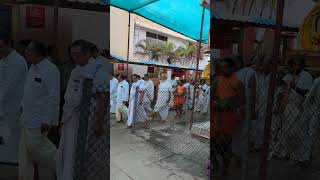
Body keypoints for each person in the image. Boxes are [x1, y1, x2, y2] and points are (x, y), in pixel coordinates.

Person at [57, 40, 109, 179]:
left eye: (77, 54)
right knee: (67, 152)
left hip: (87, 120)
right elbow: (69, 97)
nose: (74, 58)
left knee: (83, 155)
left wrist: (98, 123)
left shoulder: (98, 71)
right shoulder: (76, 70)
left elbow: (103, 97)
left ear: (87, 54)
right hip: (70, 118)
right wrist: (63, 121)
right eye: (72, 54)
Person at [19, 41, 60, 180]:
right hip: (26, 117)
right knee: (25, 153)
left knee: (36, 148)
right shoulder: (33, 67)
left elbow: (53, 97)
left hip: (39, 119)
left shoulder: (51, 69)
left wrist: (47, 120)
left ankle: (61, 165)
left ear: (37, 53)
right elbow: (29, 92)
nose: (25, 52)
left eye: (28, 50)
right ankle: (26, 177)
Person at [211, 57, 245, 175]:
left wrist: (229, 102)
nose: (223, 69)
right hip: (216, 115)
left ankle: (225, 168)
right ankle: (215, 164)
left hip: (228, 116)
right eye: (222, 67)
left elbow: (242, 100)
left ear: (232, 68)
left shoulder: (237, 82)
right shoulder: (217, 79)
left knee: (224, 144)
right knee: (212, 143)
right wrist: (215, 102)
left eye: (226, 67)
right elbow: (212, 95)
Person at [0, 36, 28, 163]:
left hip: (13, 107)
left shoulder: (18, 61)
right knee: (4, 139)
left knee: (12, 139)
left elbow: (9, 86)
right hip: (3, 107)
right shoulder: (3, 60)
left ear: (8, 45)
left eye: (0, 46)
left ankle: (14, 166)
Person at [231, 55, 256, 180]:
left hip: (242, 107)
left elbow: (253, 90)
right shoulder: (235, 74)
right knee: (238, 133)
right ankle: (238, 158)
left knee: (241, 134)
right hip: (239, 107)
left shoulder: (248, 73)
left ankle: (240, 159)